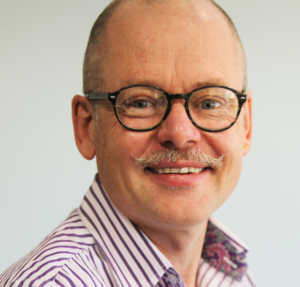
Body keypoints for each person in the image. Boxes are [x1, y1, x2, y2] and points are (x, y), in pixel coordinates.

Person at [0, 0, 255, 286]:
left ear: (245, 125)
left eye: (209, 102)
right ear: (86, 126)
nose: (181, 134)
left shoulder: (230, 271)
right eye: (141, 102)